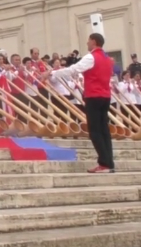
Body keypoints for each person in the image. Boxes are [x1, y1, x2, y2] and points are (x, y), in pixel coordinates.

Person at [45, 33, 114, 174]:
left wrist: (52, 73)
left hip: (94, 95)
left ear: (94, 42)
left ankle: (104, 163)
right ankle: (109, 162)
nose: (87, 43)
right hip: (106, 96)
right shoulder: (108, 58)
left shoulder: (91, 57)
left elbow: (73, 69)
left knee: (95, 131)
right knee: (104, 130)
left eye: (89, 40)